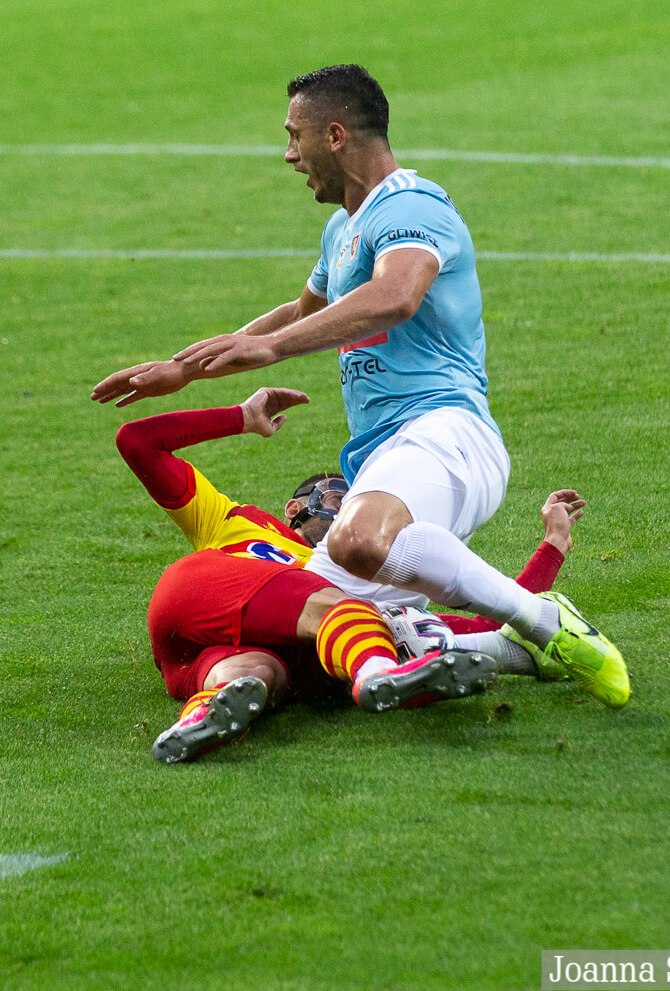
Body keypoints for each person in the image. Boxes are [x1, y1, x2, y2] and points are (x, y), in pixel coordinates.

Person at [93, 64, 629, 708]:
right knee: (314, 624)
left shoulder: (411, 204)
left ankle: (545, 619)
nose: (289, 155)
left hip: (444, 428)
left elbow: (398, 294)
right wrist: (185, 369)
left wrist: (273, 350)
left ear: (336, 135)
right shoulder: (341, 229)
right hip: (385, 457)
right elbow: (298, 314)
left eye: (294, 136)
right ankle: (501, 651)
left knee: (355, 538)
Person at [124, 388, 592, 764]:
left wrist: (553, 545)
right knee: (350, 610)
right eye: (336, 497)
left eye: (357, 500)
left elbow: (501, 616)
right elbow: (137, 442)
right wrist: (240, 417)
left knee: (264, 676)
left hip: (196, 661)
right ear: (294, 508)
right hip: (199, 595)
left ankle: (200, 717)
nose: (350, 508)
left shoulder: (373, 579)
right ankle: (378, 675)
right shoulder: (237, 522)